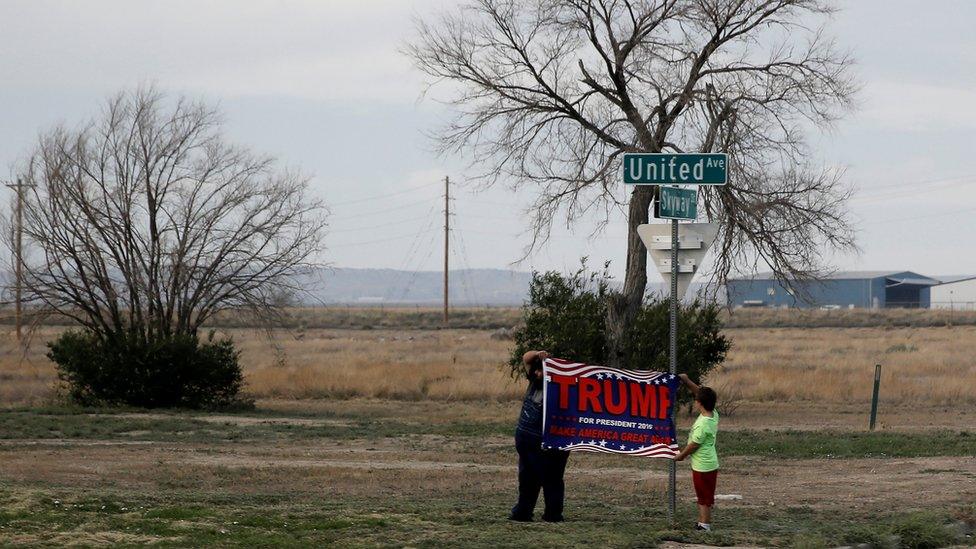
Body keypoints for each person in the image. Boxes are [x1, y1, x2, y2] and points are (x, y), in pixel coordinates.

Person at [508, 350, 570, 522]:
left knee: (553, 479)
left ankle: (553, 514)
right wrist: (539, 354)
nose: (536, 373)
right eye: (536, 369)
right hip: (527, 438)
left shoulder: (563, 387)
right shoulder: (534, 381)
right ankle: (523, 512)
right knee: (527, 479)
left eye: (541, 370)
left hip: (552, 439)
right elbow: (526, 358)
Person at [672, 373, 720, 532]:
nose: (695, 400)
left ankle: (704, 526)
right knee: (704, 495)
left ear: (699, 404)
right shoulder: (713, 414)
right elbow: (701, 393)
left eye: (696, 400)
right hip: (709, 463)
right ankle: (702, 522)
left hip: (703, 466)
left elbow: (694, 445)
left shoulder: (703, 425)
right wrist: (687, 380)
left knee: (703, 498)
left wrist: (681, 455)